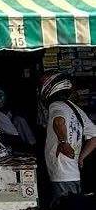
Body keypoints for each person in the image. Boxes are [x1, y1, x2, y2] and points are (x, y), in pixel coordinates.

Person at [41, 72, 96, 201]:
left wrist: (63, 142)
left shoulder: (55, 105)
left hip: (62, 173)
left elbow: (58, 121)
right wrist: (81, 157)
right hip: (73, 173)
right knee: (74, 209)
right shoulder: (76, 109)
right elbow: (94, 136)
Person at [0, 86, 37, 151]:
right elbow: (13, 133)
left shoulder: (9, 114)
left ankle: (31, 146)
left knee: (19, 121)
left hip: (13, 136)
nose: (0, 100)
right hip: (8, 137)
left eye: (1, 97)